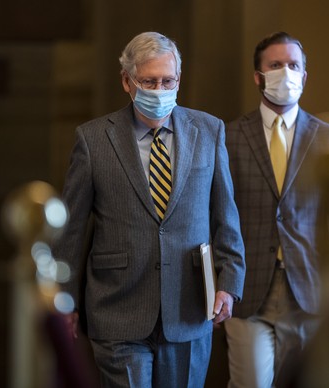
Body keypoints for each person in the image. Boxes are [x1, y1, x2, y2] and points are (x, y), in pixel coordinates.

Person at [52, 31, 246, 387]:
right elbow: (72, 229)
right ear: (127, 81)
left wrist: (229, 283)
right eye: (149, 81)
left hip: (188, 309)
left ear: (179, 79)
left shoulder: (209, 130)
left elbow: (225, 215)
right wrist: (64, 299)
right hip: (118, 308)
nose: (159, 90)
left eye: (167, 80)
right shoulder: (93, 139)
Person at [224, 31, 329, 388]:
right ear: (258, 76)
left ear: (304, 76)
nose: (285, 72)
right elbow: (216, 216)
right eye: (275, 65)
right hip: (247, 291)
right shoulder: (228, 137)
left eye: (293, 65)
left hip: (309, 291)